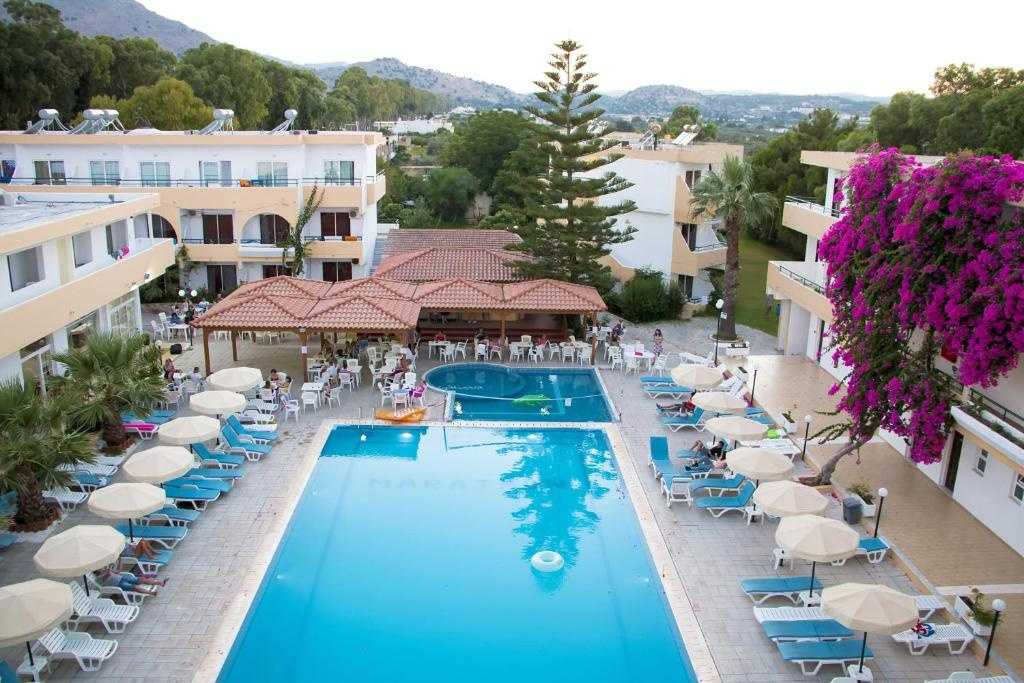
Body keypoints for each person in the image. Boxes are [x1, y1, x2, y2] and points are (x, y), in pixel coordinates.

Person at [96, 566, 166, 595]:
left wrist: (113, 569)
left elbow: (118, 571)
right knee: (134, 587)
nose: (101, 569)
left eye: (100, 568)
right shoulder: (98, 578)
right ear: (96, 572)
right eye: (99, 569)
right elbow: (105, 579)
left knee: (142, 579)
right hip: (119, 584)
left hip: (123, 578)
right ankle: (151, 593)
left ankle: (161, 583)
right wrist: (108, 572)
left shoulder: (106, 571)